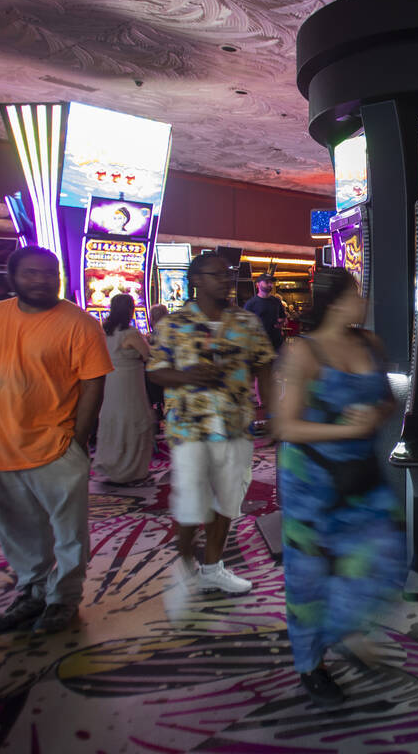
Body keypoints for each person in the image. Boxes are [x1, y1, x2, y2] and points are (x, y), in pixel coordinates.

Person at [0, 246, 113, 634]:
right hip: (0, 444)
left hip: (57, 445)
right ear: (12, 277)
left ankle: (64, 598)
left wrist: (78, 441)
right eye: (31, 273)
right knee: (18, 529)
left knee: (68, 532)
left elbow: (93, 384)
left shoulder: (80, 323)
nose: (42, 280)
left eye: (50, 273)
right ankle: (32, 591)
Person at [273, 267, 405, 708]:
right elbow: (285, 425)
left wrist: (374, 418)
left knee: (384, 549)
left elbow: (386, 401)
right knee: (309, 575)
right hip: (310, 477)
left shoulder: (369, 343)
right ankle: (311, 665)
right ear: (337, 303)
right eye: (357, 293)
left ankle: (347, 628)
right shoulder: (303, 352)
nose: (364, 300)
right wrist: (346, 432)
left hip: (359, 470)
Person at [147, 253, 275, 605]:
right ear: (196, 280)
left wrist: (275, 414)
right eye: (216, 274)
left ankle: (212, 569)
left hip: (235, 425)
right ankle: (185, 561)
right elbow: (156, 370)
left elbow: (265, 366)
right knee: (192, 502)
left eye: (228, 273)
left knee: (227, 501)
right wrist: (184, 376)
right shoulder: (173, 325)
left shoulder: (247, 322)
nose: (226, 279)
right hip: (191, 426)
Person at [92, 293, 154, 485]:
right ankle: (131, 471)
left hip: (110, 380)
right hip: (129, 383)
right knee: (134, 420)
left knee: (113, 419)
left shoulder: (104, 330)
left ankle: (112, 465)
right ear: (130, 310)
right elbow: (148, 356)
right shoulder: (130, 333)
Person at [244, 274, 287, 352]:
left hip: (276, 342)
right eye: (267, 282)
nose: (270, 285)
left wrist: (280, 323)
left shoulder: (276, 301)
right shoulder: (251, 303)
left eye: (271, 282)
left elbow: (282, 317)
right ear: (258, 284)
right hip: (259, 344)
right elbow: (245, 325)